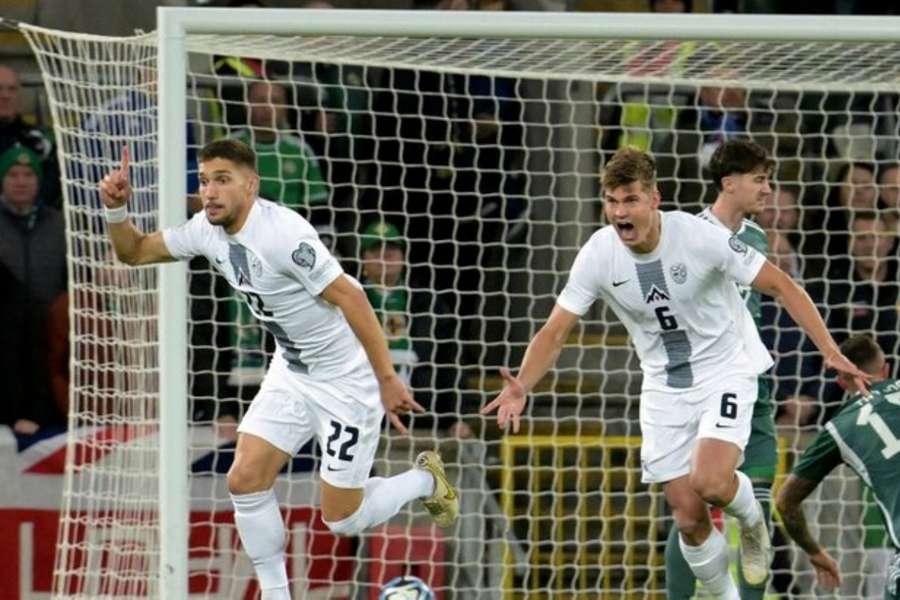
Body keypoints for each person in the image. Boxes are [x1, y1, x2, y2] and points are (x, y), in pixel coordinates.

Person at [481, 145, 870, 599]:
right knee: (688, 517)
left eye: (629, 200)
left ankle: (751, 519)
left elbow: (782, 286)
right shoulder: (599, 253)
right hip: (665, 385)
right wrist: (523, 385)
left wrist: (830, 351)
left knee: (710, 481)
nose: (619, 212)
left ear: (654, 199)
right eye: (611, 201)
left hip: (726, 368)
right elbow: (555, 330)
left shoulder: (698, 237)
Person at [98, 139, 459, 600]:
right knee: (244, 478)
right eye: (205, 180)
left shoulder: (284, 234)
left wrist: (387, 378)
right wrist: (115, 211)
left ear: (251, 185)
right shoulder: (205, 230)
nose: (209, 191)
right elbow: (135, 252)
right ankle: (276, 594)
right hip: (291, 370)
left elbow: (352, 296)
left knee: (342, 518)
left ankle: (426, 479)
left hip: (346, 380)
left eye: (222, 180)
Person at [662, 139, 777, 600]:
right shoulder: (689, 234)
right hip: (708, 385)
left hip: (756, 384)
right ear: (729, 183)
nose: (768, 189)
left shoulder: (756, 236)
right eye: (761, 180)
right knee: (693, 510)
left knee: (759, 503)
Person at [776, 334, 900, 599]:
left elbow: (785, 502)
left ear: (840, 381)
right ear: (886, 368)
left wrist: (815, 553)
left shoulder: (838, 428)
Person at [0, 143, 67, 433]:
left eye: (28, 174)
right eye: (13, 174)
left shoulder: (59, 225)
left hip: (51, 335)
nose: (21, 181)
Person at [0, 64, 60, 208]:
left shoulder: (41, 141)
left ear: (20, 95)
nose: (5, 95)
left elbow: (53, 194)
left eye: (12, 89)